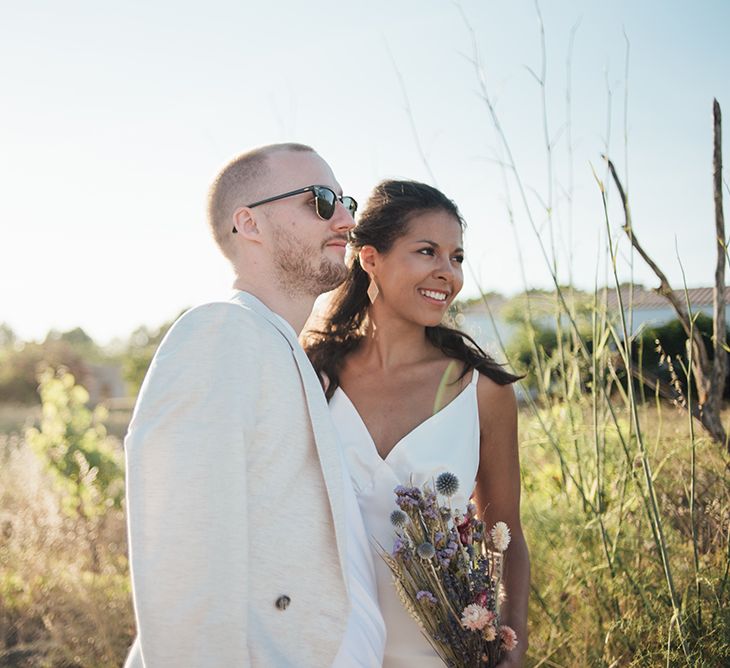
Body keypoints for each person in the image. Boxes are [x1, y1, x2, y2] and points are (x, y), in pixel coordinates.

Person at [123, 143, 385, 667]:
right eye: (321, 199)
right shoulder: (219, 331)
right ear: (249, 224)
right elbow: (184, 554)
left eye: (347, 202)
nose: (345, 219)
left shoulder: (282, 346)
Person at [305, 180, 530, 667]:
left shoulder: (480, 390)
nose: (446, 273)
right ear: (369, 259)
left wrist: (512, 645)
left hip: (440, 653)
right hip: (323, 647)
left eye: (457, 258)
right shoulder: (311, 378)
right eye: (427, 251)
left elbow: (505, 531)